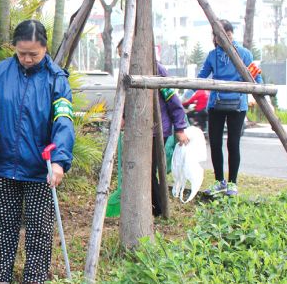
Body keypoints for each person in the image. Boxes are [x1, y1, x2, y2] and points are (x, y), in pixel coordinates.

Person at [0, 20, 75, 284]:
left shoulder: (56, 79)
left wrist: (59, 160)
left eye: (33, 54)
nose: (26, 59)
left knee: (39, 225)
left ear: (45, 49)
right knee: (3, 223)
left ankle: (35, 277)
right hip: (3, 164)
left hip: (40, 167)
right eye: (21, 52)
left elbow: (64, 120)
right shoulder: (0, 73)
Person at [106, 39, 189, 217]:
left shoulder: (156, 70)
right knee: (140, 169)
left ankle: (158, 210)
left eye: (124, 56)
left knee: (148, 170)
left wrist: (180, 128)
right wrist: (123, 117)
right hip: (138, 129)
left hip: (157, 129)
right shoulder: (127, 73)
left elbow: (173, 101)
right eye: (120, 56)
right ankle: (150, 207)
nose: (122, 60)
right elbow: (128, 101)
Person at [197, 19, 261, 197]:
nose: (224, 38)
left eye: (228, 34)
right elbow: (201, 77)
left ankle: (233, 183)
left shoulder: (244, 54)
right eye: (219, 35)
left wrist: (259, 94)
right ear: (215, 38)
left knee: (233, 143)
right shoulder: (212, 56)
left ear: (232, 34)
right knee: (215, 143)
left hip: (237, 106)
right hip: (216, 105)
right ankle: (219, 182)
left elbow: (256, 77)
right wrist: (183, 94)